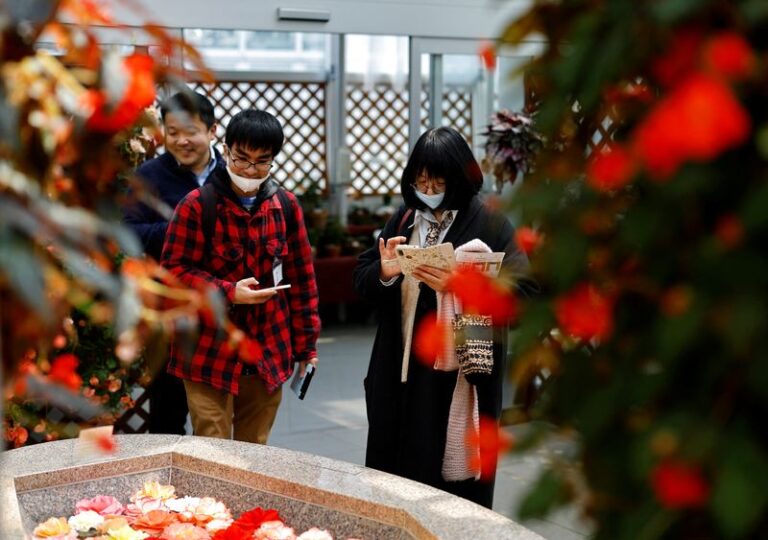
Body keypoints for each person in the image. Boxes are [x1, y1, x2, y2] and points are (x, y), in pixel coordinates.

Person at [353, 127, 530, 508]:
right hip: (397, 371)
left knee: (451, 488)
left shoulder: (491, 223)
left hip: (457, 376)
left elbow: (526, 291)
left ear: (460, 177)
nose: (428, 187)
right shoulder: (404, 219)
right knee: (393, 478)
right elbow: (363, 277)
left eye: (437, 179)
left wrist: (462, 285)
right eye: (420, 179)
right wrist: (384, 273)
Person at [161, 109, 320, 444]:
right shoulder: (197, 205)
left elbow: (303, 283)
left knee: (255, 450)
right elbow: (174, 272)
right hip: (208, 349)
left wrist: (307, 347)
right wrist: (227, 291)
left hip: (267, 349)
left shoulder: (285, 207)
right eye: (242, 159)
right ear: (227, 149)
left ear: (274, 160)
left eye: (262, 162)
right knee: (212, 447)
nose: (250, 170)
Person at [123, 90, 223, 435]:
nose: (182, 140)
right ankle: (165, 487)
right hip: (168, 310)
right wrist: (181, 230)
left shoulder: (231, 176)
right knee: (168, 410)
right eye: (172, 132)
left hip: (223, 306)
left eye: (191, 131)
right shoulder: (148, 177)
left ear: (212, 131)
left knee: (219, 411)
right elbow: (128, 232)